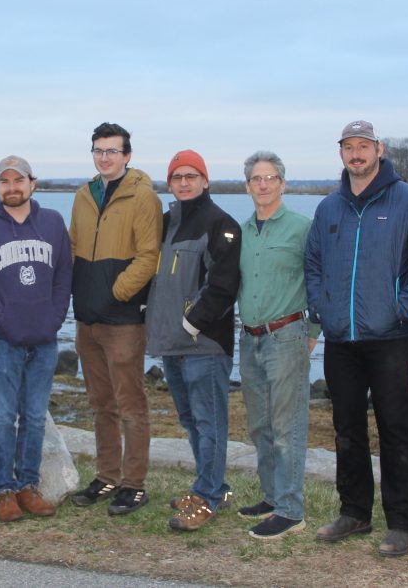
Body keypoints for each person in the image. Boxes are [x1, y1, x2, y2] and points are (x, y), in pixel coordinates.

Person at [304, 119, 408, 557]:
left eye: (364, 146)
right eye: (349, 147)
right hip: (341, 338)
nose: (356, 154)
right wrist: (321, 308)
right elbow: (313, 264)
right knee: (346, 427)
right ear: (341, 153)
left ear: (379, 150)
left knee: (395, 429)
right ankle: (354, 511)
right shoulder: (329, 208)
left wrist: (406, 308)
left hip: (390, 337)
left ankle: (401, 521)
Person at [0, 156, 72, 521]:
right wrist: (3, 323)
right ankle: (4, 489)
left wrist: (54, 320)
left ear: (32, 183)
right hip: (2, 341)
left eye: (18, 180)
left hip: (43, 340)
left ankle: (29, 485)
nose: (12, 187)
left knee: (34, 417)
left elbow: (63, 278)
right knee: (3, 416)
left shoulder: (53, 223)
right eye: (4, 181)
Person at [67, 122, 162, 515]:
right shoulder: (82, 196)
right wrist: (78, 296)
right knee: (99, 403)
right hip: (86, 320)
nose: (104, 157)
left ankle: (133, 484)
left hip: (123, 321)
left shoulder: (143, 196)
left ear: (127, 155)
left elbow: (149, 256)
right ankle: (107, 476)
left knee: (130, 405)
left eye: (112, 151)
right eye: (98, 150)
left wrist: (116, 293)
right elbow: (73, 249)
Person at [146, 149, 241, 532]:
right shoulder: (166, 222)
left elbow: (222, 287)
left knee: (209, 421)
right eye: (177, 177)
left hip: (204, 345)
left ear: (205, 181)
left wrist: (190, 325)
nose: (184, 183)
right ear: (170, 183)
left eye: (191, 176)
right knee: (190, 420)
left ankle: (208, 497)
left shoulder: (221, 224)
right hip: (171, 343)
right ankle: (211, 484)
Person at [236, 150, 319, 539]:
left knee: (287, 427)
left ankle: (291, 509)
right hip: (249, 338)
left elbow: (321, 280)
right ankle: (271, 497)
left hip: (287, 336)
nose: (263, 184)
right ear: (248, 185)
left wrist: (314, 331)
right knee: (260, 425)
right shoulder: (243, 230)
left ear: (282, 184)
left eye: (270, 178)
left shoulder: (302, 228)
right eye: (256, 178)